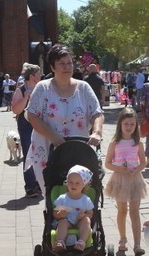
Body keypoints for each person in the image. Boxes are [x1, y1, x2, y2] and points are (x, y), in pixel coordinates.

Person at [24, 44, 104, 193]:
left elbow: (96, 113)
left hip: (78, 148)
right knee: (53, 193)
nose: (67, 67)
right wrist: (55, 138)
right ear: (53, 67)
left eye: (69, 63)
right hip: (48, 147)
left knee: (80, 192)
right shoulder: (43, 88)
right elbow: (32, 115)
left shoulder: (83, 87)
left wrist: (97, 132)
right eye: (62, 63)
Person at [104, 107, 148, 256]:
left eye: (132, 124)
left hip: (135, 179)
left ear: (136, 126)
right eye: (126, 124)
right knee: (122, 210)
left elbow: (143, 162)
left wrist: (137, 169)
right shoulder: (115, 143)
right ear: (120, 124)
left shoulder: (138, 143)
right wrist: (121, 169)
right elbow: (107, 163)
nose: (129, 127)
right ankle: (123, 239)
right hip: (120, 179)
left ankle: (137, 244)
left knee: (135, 211)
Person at [11, 63, 42, 198]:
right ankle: (30, 186)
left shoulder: (42, 88)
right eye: (38, 74)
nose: (41, 76)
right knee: (29, 152)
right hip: (25, 124)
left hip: (41, 123)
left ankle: (39, 183)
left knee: (41, 152)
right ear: (32, 76)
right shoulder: (21, 90)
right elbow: (16, 110)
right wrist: (25, 98)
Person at [52, 165, 95, 252]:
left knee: (86, 220)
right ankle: (60, 242)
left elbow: (91, 214)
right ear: (66, 183)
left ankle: (81, 242)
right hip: (66, 221)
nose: (73, 185)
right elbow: (54, 213)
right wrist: (59, 214)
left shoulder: (86, 200)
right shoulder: (62, 198)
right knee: (62, 222)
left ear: (84, 185)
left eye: (77, 183)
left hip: (80, 222)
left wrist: (84, 215)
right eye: (70, 182)